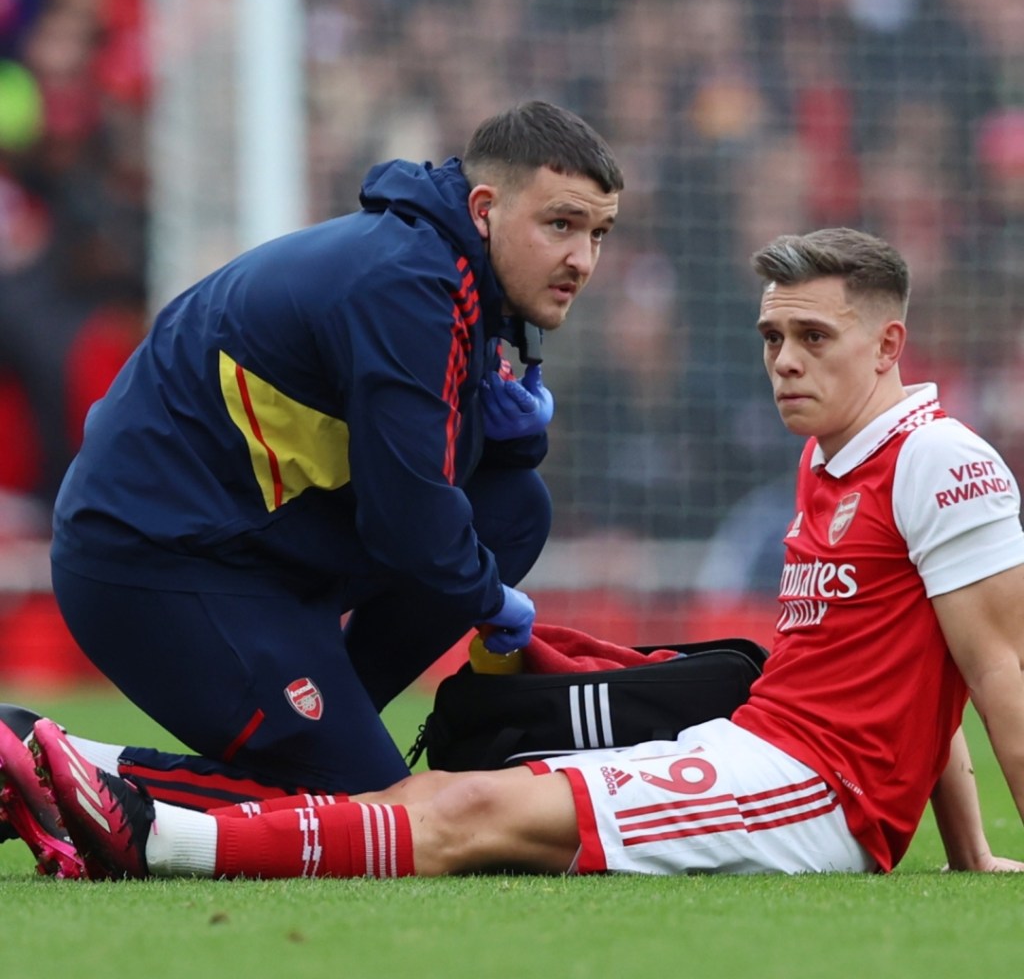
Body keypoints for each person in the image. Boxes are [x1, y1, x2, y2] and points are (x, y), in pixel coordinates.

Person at [8, 226, 1024, 880]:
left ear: (890, 347)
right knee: (464, 784)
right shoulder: (837, 461)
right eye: (770, 338)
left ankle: (148, 835)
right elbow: (919, 666)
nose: (785, 361)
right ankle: (84, 770)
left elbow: (997, 669)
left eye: (812, 337)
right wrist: (968, 852)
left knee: (469, 808)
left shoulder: (941, 461)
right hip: (762, 749)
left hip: (812, 793)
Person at [45, 99, 624, 797]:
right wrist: (488, 601)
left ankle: (330, 732)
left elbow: (432, 478)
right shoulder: (409, 287)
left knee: (512, 510)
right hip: (155, 561)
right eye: (560, 224)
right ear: (483, 210)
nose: (581, 259)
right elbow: (409, 518)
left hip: (255, 547)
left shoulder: (454, 276)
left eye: (598, 232)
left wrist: (512, 440)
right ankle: (36, 761)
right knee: (361, 806)